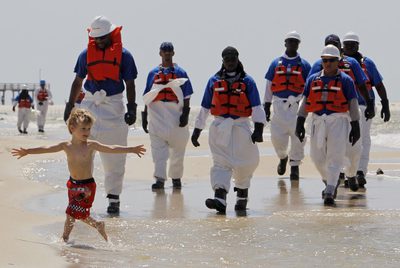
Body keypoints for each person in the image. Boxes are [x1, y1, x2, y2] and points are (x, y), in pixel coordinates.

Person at [11, 108, 146, 242]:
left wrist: (131, 149)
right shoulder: (66, 146)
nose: (87, 132)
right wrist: (28, 151)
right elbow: (47, 149)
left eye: (88, 129)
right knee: (78, 214)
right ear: (72, 128)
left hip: (87, 187)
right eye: (83, 129)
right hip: (73, 184)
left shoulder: (91, 145)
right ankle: (97, 225)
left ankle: (64, 238)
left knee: (71, 212)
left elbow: (110, 148)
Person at [63, 16, 139, 214]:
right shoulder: (85, 55)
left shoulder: (125, 55)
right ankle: (78, 194)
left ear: (111, 35)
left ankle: (114, 197)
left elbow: (130, 83)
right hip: (89, 104)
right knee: (80, 149)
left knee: (115, 154)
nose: (99, 41)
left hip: (113, 105)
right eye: (96, 38)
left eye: (103, 38)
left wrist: (132, 108)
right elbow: (77, 81)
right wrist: (70, 105)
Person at [191, 46, 266, 214]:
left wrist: (259, 128)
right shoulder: (213, 81)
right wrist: (197, 130)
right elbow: (204, 108)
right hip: (219, 128)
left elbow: (256, 107)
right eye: (227, 59)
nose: (230, 62)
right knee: (220, 163)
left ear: (238, 59)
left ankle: (242, 197)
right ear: (223, 61)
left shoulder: (248, 82)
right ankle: (220, 198)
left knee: (245, 164)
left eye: (233, 58)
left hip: (241, 127)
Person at [295, 45, 361, 206]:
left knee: (335, 155)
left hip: (338, 121)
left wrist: (356, 126)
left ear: (338, 61)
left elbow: (353, 104)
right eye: (325, 60)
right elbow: (304, 102)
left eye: (331, 60)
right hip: (318, 121)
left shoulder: (346, 80)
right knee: (316, 157)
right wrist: (300, 123)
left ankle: (330, 190)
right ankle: (329, 180)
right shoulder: (313, 79)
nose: (328, 63)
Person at [308, 34, 375, 191]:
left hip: (347, 111)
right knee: (324, 150)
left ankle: (351, 174)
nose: (328, 62)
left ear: (340, 47)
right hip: (322, 116)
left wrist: (370, 103)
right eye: (328, 45)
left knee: (352, 147)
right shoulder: (318, 65)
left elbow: (361, 84)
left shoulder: (351, 63)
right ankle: (332, 180)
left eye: (335, 45)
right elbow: (308, 88)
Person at [141, 42, 193, 190]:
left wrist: (185, 114)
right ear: (160, 53)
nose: (167, 54)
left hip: (175, 113)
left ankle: (176, 178)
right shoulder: (152, 73)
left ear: (173, 53)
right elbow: (147, 95)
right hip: (157, 114)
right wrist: (144, 117)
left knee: (178, 150)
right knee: (158, 152)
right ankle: (160, 179)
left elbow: (187, 95)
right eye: (165, 51)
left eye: (169, 51)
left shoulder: (181, 73)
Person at [342, 31, 391, 187]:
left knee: (363, 140)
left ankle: (360, 172)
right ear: (342, 46)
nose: (349, 47)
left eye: (352, 44)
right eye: (347, 44)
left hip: (364, 106)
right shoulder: (338, 62)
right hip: (342, 108)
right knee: (343, 140)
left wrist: (385, 103)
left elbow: (378, 84)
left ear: (358, 46)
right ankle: (344, 171)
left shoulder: (367, 63)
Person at [263, 31, 311, 180]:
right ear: (285, 43)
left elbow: (310, 87)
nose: (292, 44)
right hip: (278, 106)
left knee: (298, 138)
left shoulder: (304, 65)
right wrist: (266, 106)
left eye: (295, 42)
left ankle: (295, 166)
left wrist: (308, 107)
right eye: (290, 41)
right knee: (277, 138)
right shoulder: (275, 64)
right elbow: (269, 85)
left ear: (298, 44)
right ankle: (283, 157)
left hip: (297, 106)